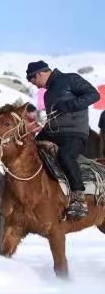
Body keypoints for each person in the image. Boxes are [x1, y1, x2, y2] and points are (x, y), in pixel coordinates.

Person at [27, 60, 100, 218]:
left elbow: (94, 95)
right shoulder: (47, 94)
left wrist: (70, 105)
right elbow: (54, 119)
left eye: (34, 81)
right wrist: (41, 130)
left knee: (65, 155)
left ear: (39, 73)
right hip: (54, 132)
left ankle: (79, 198)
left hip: (74, 133)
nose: (36, 86)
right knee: (29, 148)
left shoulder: (70, 79)